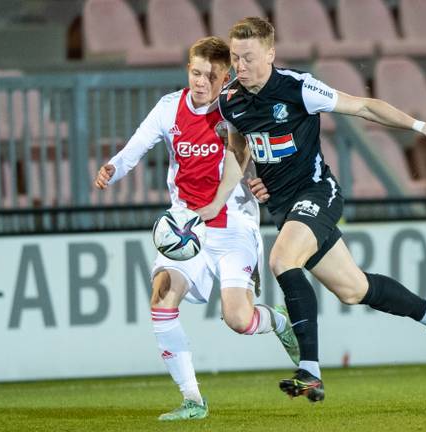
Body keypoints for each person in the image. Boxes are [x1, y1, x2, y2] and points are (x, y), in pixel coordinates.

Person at [216, 17, 426, 403]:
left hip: (317, 193)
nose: (239, 66)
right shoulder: (230, 100)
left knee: (282, 260)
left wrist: (419, 126)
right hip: (284, 207)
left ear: (270, 55)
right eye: (234, 58)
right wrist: (251, 174)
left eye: (247, 58)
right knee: (353, 289)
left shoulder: (298, 87)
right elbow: (240, 148)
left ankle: (310, 371)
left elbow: (363, 106)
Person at [92, 36, 299, 421]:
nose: (200, 82)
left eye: (210, 75)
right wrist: (113, 168)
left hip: (234, 224)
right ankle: (192, 399)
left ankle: (279, 321)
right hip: (188, 226)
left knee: (239, 320)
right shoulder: (170, 108)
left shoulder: (239, 109)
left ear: (226, 78)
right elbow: (136, 147)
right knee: (161, 296)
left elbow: (266, 154)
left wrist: (265, 182)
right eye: (195, 72)